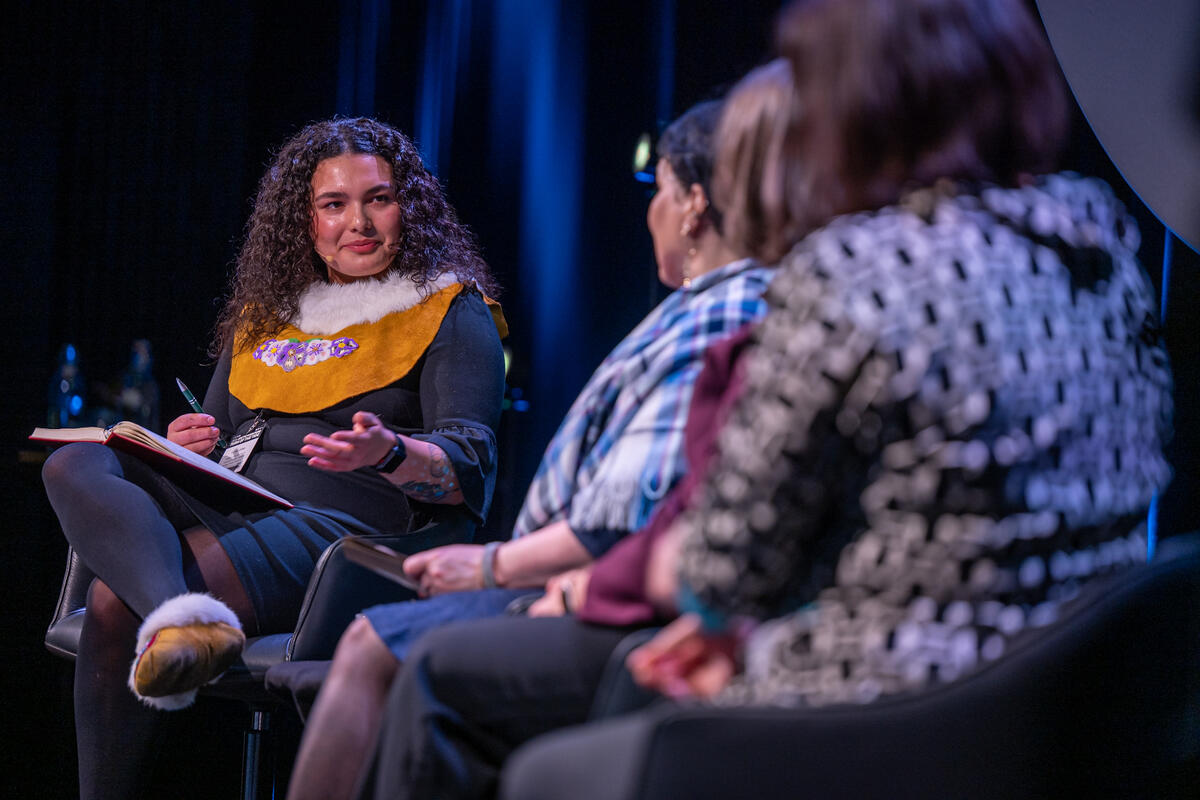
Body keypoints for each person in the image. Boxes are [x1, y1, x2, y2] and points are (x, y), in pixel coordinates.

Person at [354, 0, 1174, 795]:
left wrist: (682, 610)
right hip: (1070, 704)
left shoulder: (862, 270)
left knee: (488, 716)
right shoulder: (1100, 253)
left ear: (858, 108)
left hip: (899, 698)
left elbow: (727, 558)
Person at [285, 99, 777, 800]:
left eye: (660, 189)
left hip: (613, 597)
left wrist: (496, 568)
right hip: (587, 580)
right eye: (332, 205)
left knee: (380, 644)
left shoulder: (725, 309)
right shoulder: (700, 306)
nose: (653, 212)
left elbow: (629, 513)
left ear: (694, 204)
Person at [40, 117, 506, 800]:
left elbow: (470, 459)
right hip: (240, 499)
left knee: (114, 604)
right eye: (334, 204)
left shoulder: (448, 309)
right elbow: (225, 431)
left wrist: (393, 450)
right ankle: (185, 618)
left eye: (379, 198)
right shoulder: (268, 317)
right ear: (304, 220)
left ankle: (172, 622)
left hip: (345, 526)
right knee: (75, 463)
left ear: (410, 205)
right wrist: (190, 442)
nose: (361, 223)